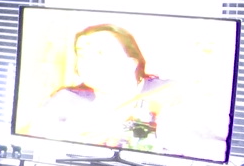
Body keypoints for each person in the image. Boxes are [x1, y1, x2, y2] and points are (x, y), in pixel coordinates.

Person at [24, 24, 170, 151]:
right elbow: (32, 141)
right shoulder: (66, 99)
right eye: (82, 54)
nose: (88, 61)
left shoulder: (167, 93)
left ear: (131, 63)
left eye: (100, 53)